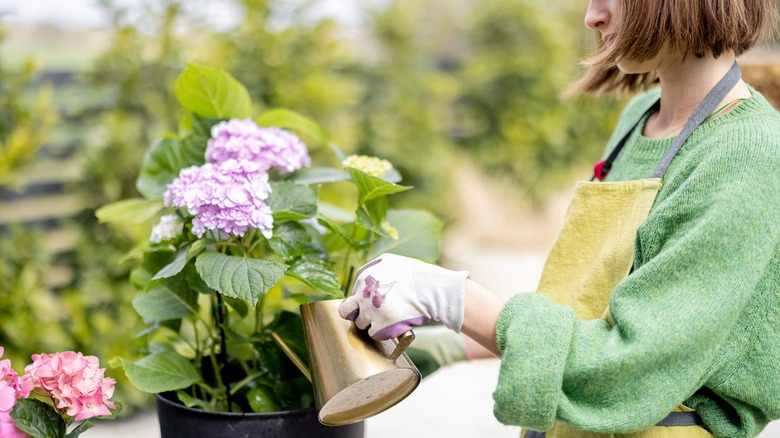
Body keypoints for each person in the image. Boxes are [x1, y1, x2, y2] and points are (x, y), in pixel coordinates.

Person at [338, 0, 780, 437]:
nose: (593, 16)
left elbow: (628, 370)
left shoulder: (746, 153)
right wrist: (459, 344)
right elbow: (590, 305)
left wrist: (452, 298)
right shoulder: (639, 119)